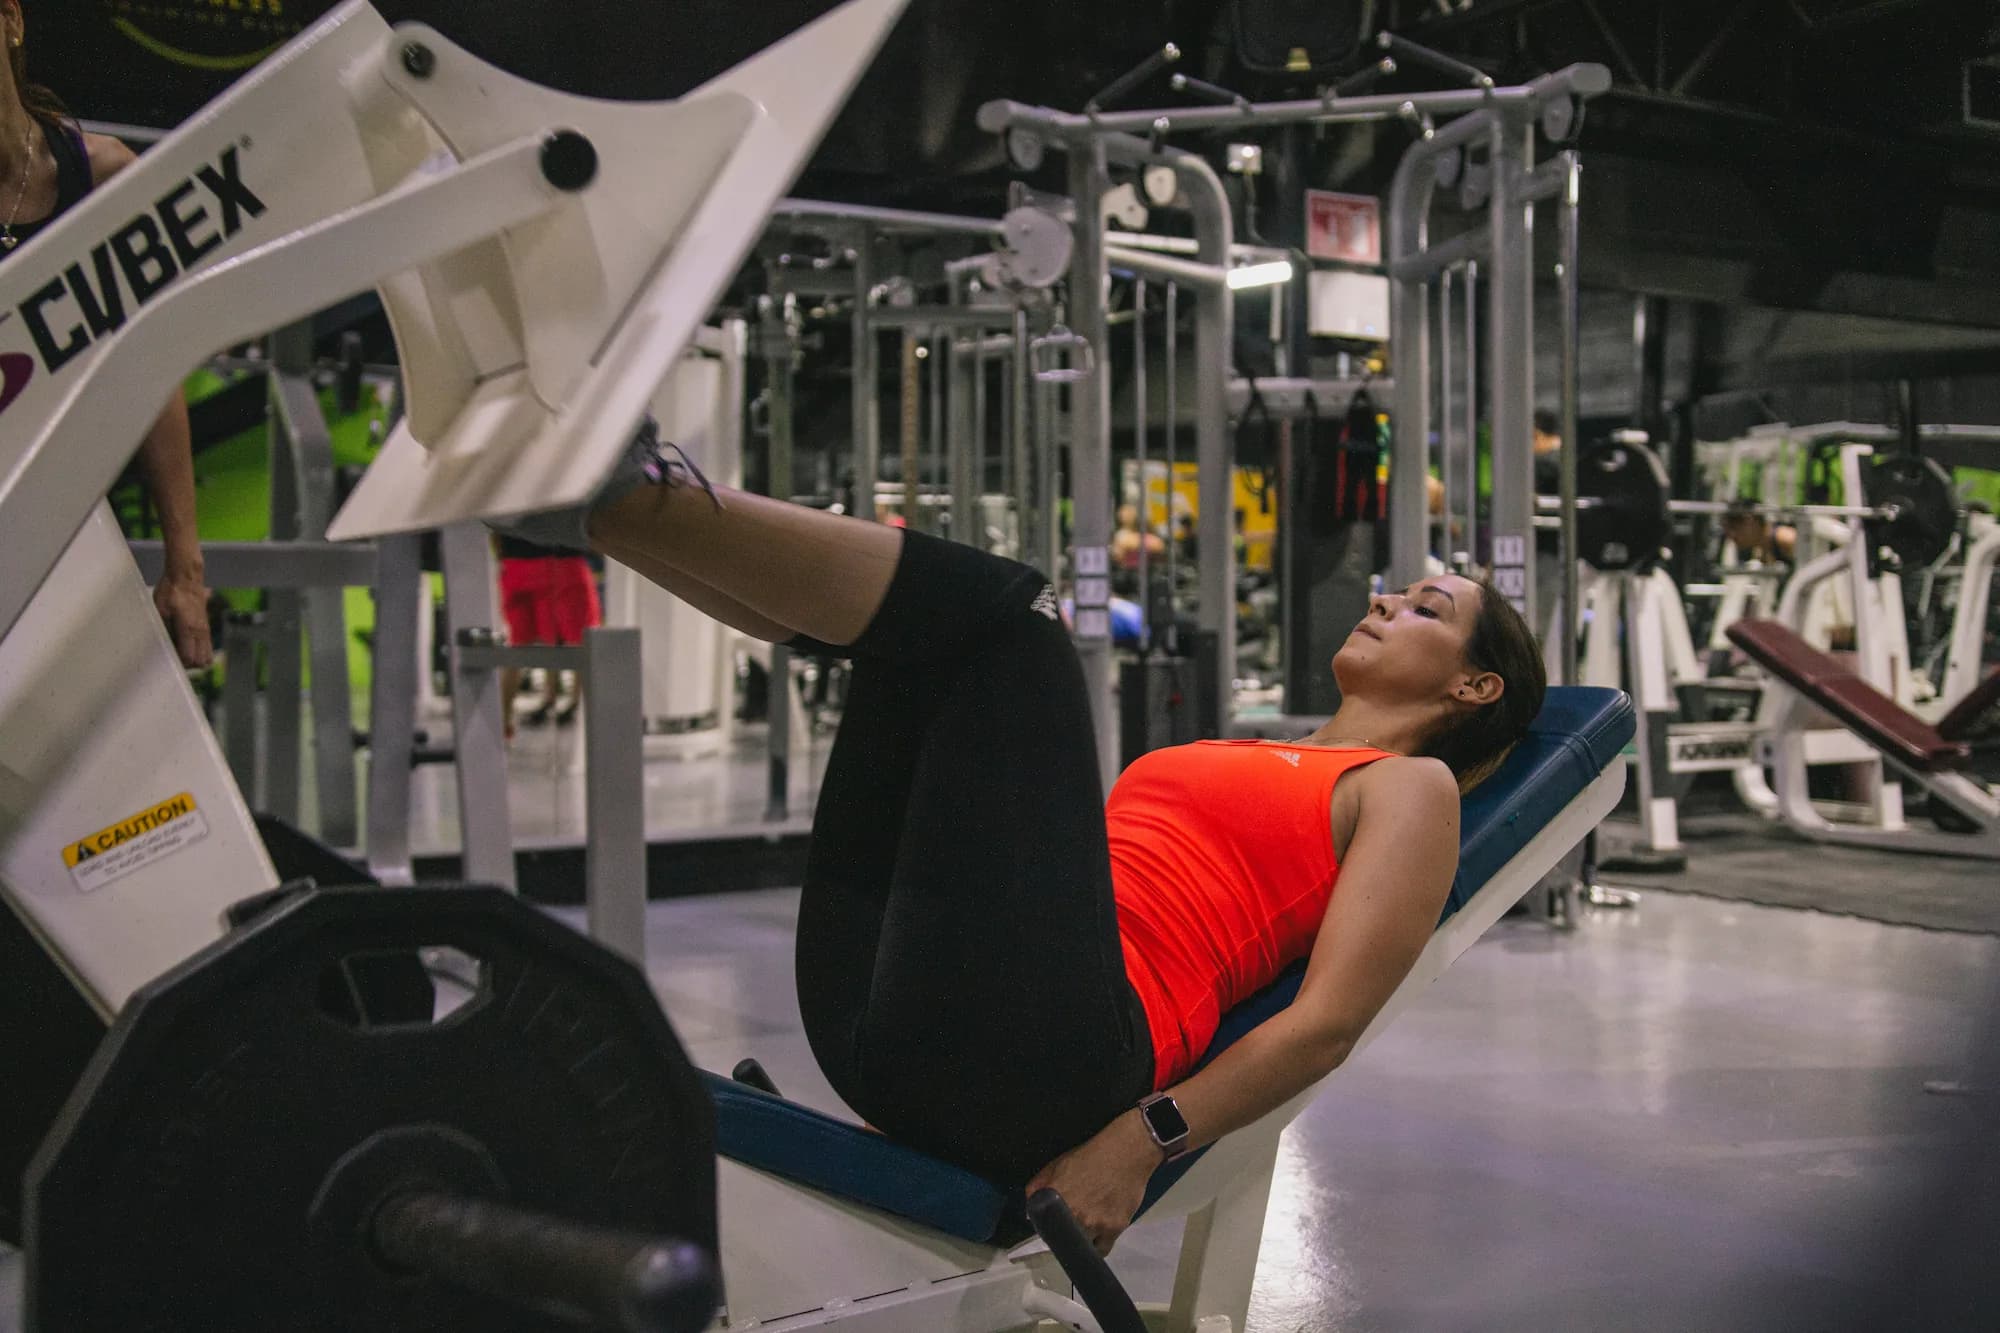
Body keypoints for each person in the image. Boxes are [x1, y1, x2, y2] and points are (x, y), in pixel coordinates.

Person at [497, 424, 1546, 1256]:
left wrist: (1140, 1143)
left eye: (1423, 606)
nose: (1381, 599)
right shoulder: (1258, 748)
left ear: (1471, 685)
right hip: (911, 1026)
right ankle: (611, 516)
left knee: (1014, 637)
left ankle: (627, 496)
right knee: (906, 645)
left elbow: (1324, 1025)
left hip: (1060, 1063)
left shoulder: (1407, 788)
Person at [0, 0, 210, 667]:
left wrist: (185, 568)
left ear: (11, 19)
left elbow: (154, 365)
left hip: (73, 531)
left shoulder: (107, 176)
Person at [495, 533, 602, 739]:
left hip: (514, 564)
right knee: (581, 641)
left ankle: (504, 723)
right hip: (560, 562)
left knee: (519, 645)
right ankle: (574, 709)